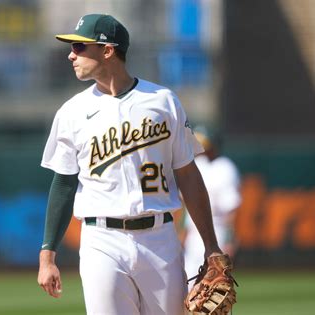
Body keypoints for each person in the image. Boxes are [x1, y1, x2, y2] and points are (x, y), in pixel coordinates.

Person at [37, 13, 224, 315]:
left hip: (159, 237)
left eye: (80, 47)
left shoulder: (163, 101)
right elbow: (64, 183)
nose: (72, 54)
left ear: (107, 50)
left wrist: (211, 246)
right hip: (102, 239)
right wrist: (47, 256)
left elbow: (188, 174)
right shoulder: (71, 112)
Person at [182, 126, 242, 287]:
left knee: (212, 288)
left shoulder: (225, 168)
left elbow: (231, 209)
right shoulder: (197, 164)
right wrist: (184, 234)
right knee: (187, 290)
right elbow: (187, 207)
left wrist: (230, 240)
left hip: (218, 233)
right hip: (193, 235)